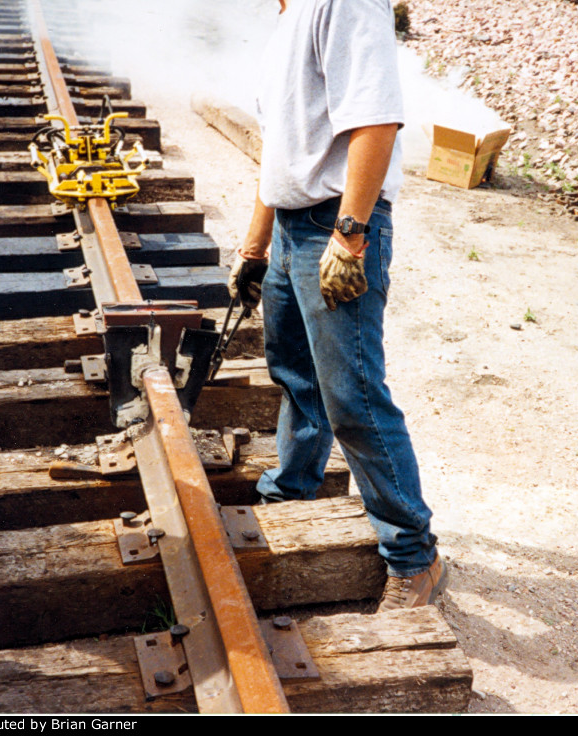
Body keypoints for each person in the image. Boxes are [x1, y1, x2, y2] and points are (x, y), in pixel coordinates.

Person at [229, 0, 447, 611]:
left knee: (352, 395)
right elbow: (281, 147)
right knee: (296, 375)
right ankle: (290, 493)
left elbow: (376, 122)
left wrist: (349, 237)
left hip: (334, 223)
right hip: (295, 224)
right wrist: (255, 244)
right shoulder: (291, 15)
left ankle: (414, 556)